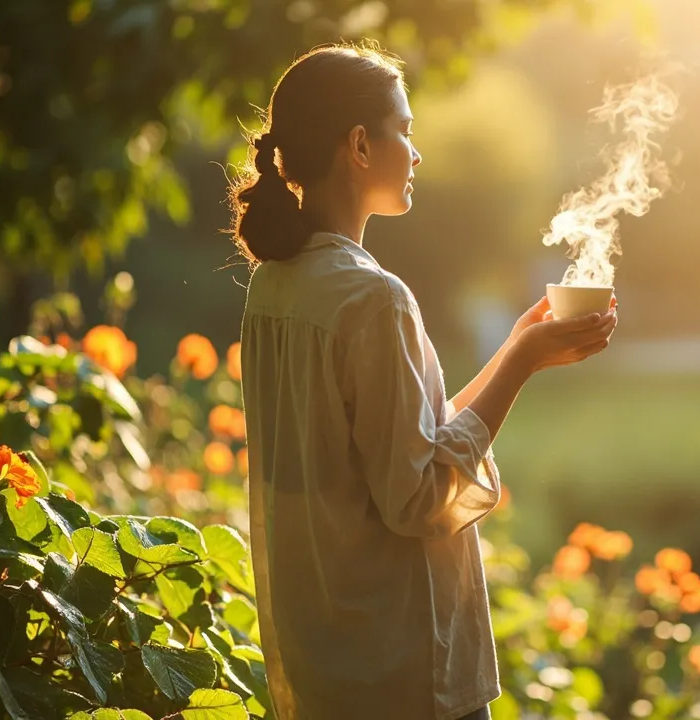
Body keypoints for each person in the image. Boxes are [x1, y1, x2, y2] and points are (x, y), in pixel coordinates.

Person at [228, 42, 618, 720]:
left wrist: (514, 350)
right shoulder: (372, 298)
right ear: (358, 144)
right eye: (404, 130)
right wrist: (523, 364)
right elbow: (418, 499)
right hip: (405, 672)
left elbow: (404, 444)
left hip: (327, 666)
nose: (416, 152)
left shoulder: (275, 288)